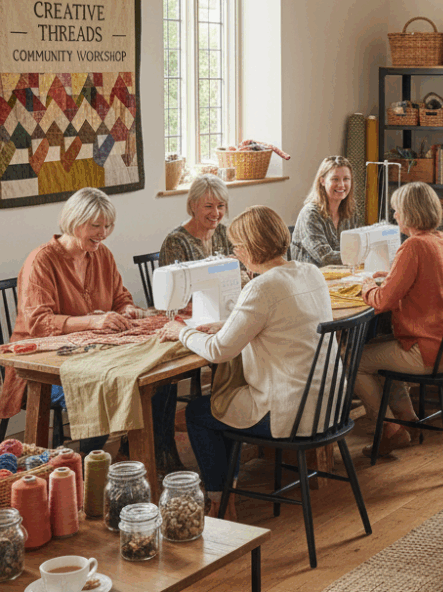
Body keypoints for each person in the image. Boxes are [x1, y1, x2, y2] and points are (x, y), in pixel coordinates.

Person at [159, 206, 334, 521]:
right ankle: (228, 490)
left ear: (253, 247)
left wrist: (181, 331)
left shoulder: (261, 287)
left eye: (238, 246)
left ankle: (221, 501)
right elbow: (274, 323)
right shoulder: (310, 272)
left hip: (291, 414)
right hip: (328, 406)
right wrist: (229, 324)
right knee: (223, 405)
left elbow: (217, 351)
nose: (236, 253)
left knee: (201, 412)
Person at [0, 188, 180, 464]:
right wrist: (95, 320)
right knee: (102, 386)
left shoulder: (102, 255)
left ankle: (138, 455)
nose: (104, 233)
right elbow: (38, 323)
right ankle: (87, 462)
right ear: (73, 221)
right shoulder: (42, 261)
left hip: (93, 354)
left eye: (108, 225)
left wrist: (128, 310)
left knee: (159, 378)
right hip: (40, 365)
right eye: (96, 225)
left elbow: (121, 298)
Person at [356, 182, 443, 457]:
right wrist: (390, 276)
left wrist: (368, 284)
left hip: (428, 352)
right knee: (382, 349)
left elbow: (382, 302)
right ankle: (407, 422)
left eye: (397, 211)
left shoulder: (413, 246)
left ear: (410, 212)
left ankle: (391, 432)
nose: (395, 216)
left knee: (353, 361)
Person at [290, 156, 357, 266]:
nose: (341, 184)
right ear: (322, 181)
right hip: (310, 278)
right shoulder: (310, 214)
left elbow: (356, 245)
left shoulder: (351, 210)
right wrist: (361, 255)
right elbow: (325, 258)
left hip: (342, 274)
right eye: (335, 179)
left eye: (346, 179)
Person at [160, 174, 234, 264]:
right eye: (208, 206)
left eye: (220, 206)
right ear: (193, 205)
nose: (216, 213)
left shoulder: (225, 233)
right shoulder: (175, 242)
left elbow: (243, 269)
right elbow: (175, 278)